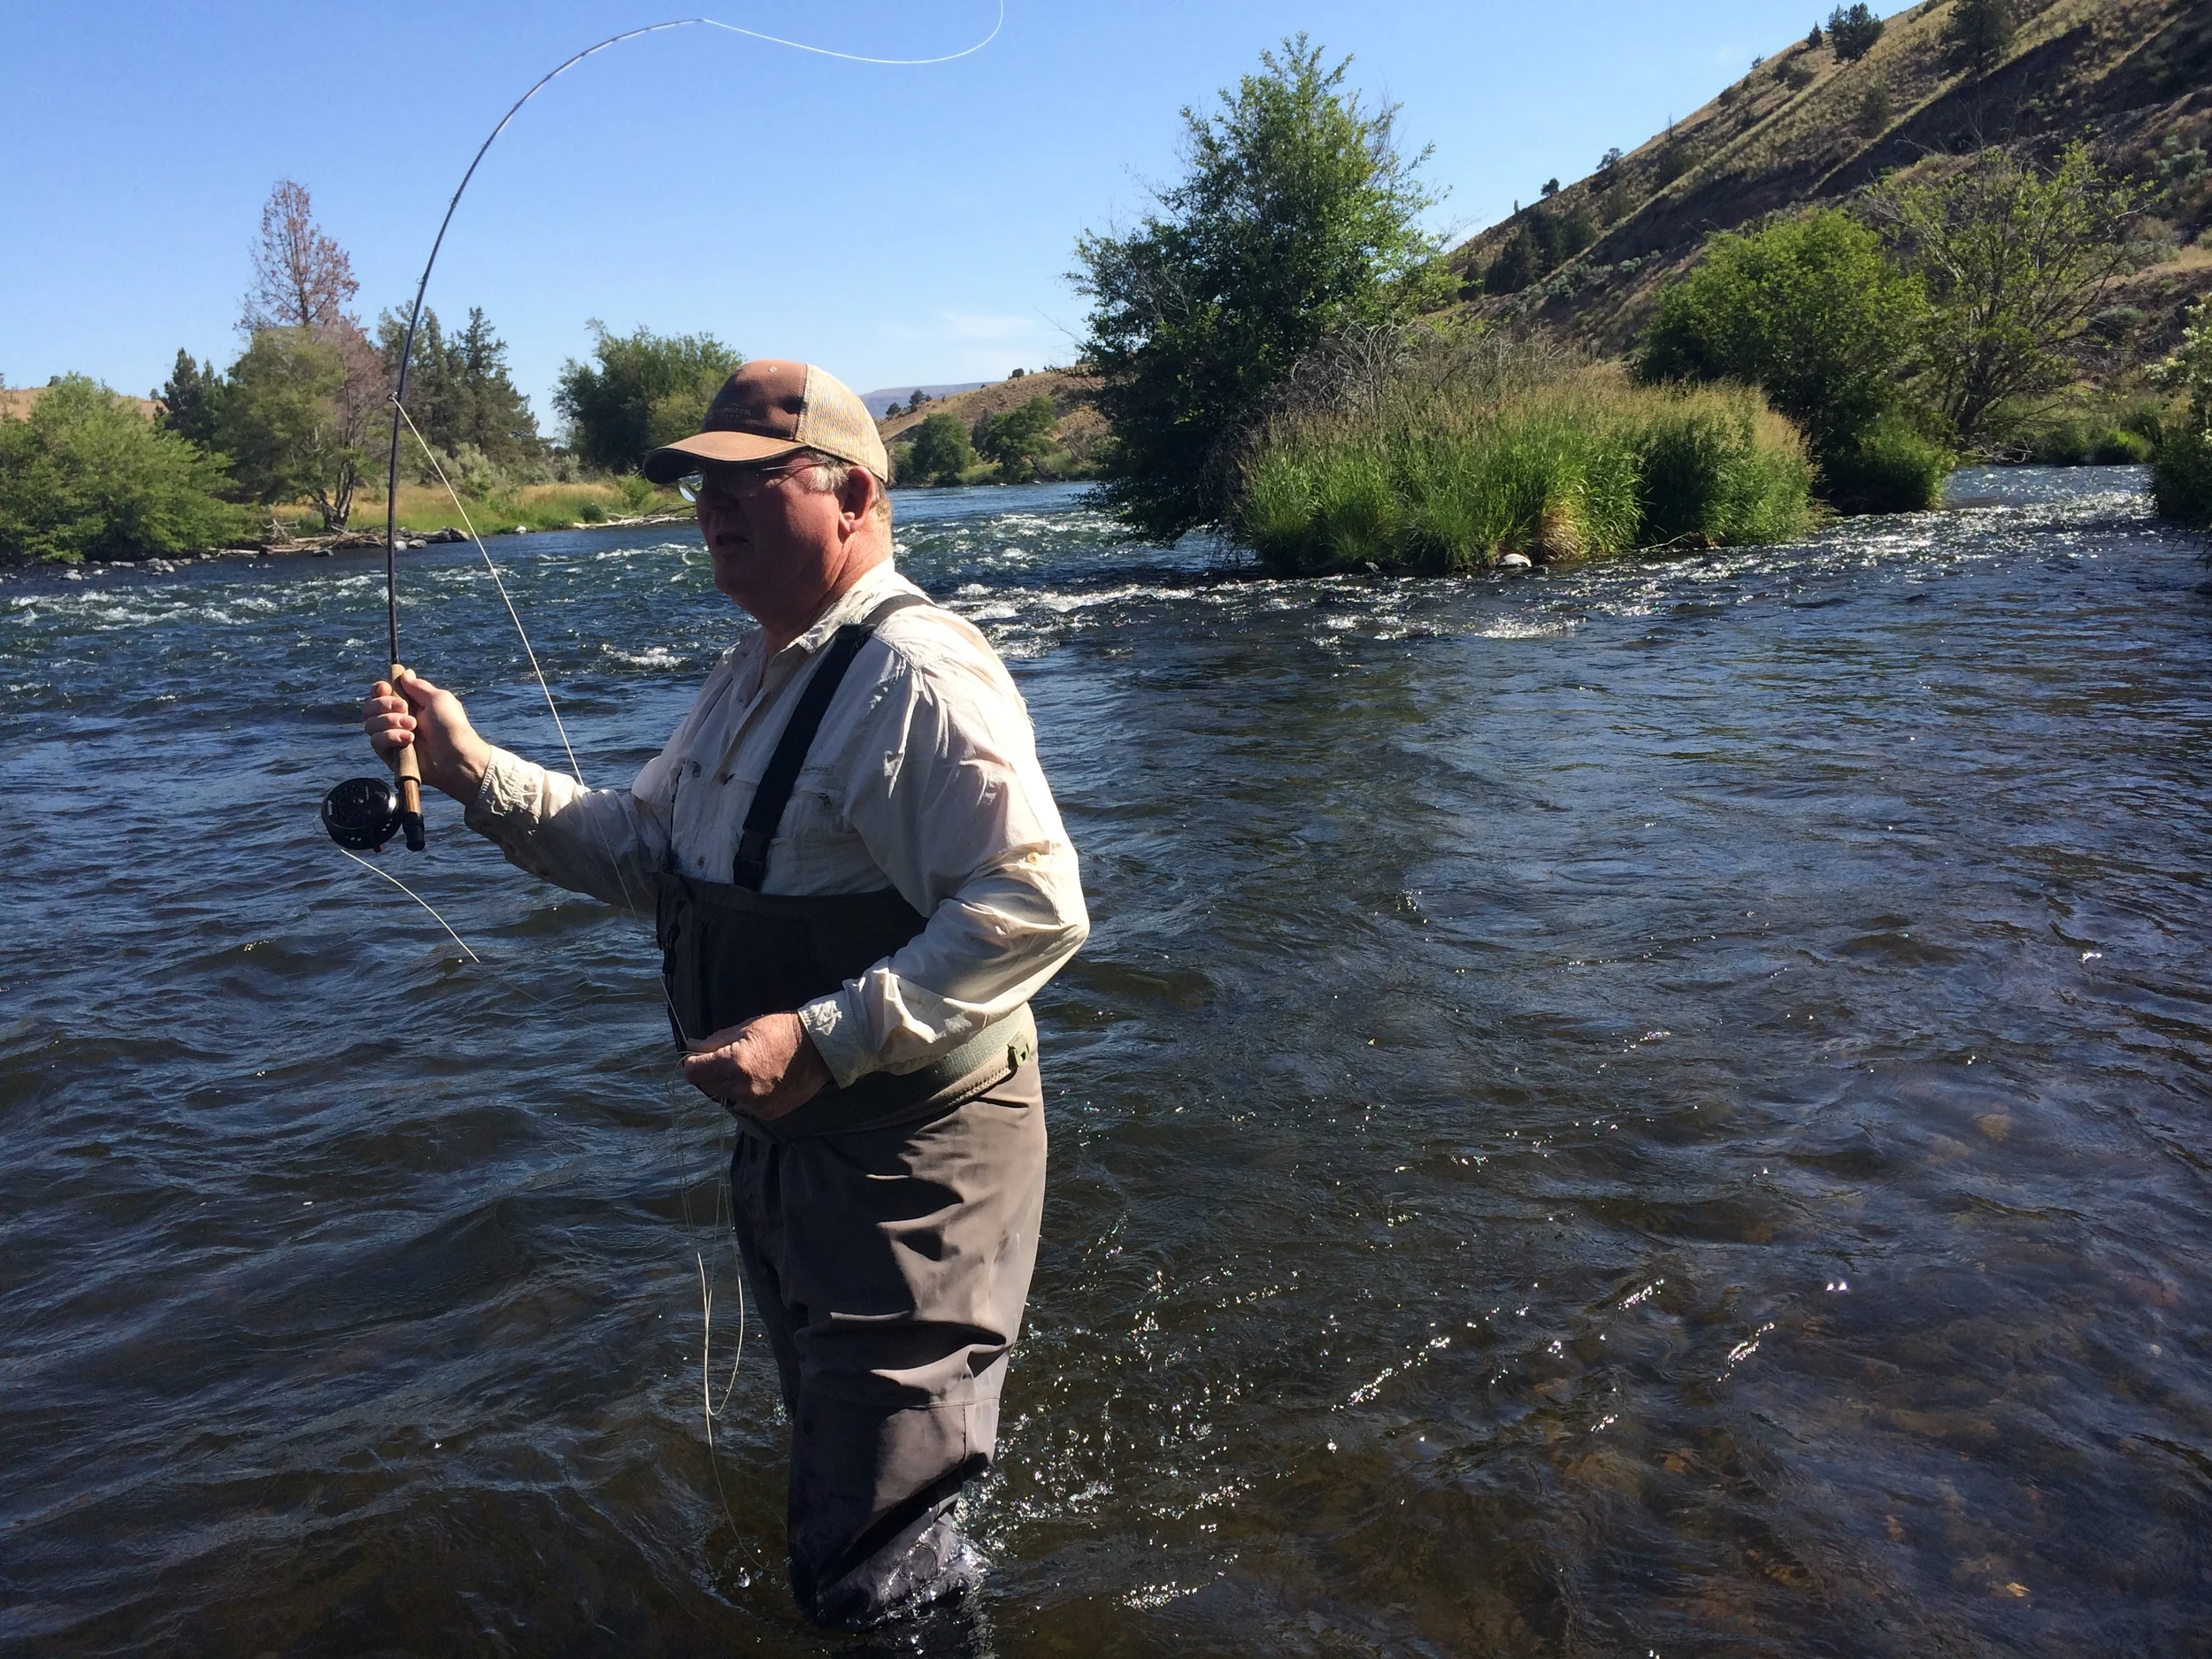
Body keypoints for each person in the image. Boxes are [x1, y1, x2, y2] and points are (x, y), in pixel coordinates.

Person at [360, 359, 1089, 1630]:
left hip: (912, 1153)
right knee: (842, 1482)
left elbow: (1034, 903)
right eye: (702, 482)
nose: (713, 504)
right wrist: (472, 770)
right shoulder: (753, 672)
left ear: (854, 494)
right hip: (794, 1144)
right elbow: (651, 856)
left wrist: (820, 1039)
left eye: (751, 480)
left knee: (880, 1566)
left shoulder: (915, 677)